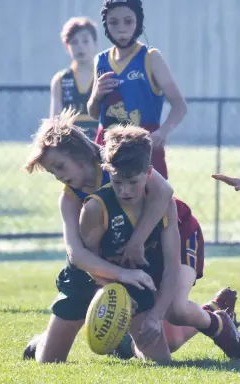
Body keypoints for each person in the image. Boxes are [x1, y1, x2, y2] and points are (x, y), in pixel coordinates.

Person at [23, 110, 238, 363]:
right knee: (146, 338)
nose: (58, 175)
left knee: (176, 309)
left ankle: (215, 319)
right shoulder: (74, 197)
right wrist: (119, 277)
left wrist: (137, 241)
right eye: (52, 172)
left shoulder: (118, 162)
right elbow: (77, 253)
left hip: (176, 229)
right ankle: (52, 341)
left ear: (79, 154)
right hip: (128, 254)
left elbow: (164, 192)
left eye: (59, 166)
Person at [79, 125, 240, 361]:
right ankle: (213, 309)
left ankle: (219, 323)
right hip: (144, 259)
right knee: (162, 351)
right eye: (117, 182)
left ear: (149, 173)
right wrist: (116, 294)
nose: (124, 191)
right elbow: (92, 261)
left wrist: (155, 316)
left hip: (182, 233)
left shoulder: (163, 202)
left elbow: (172, 266)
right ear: (107, 172)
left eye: (133, 182)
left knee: (176, 309)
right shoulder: (96, 208)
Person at [87, 0, 187, 179]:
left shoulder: (150, 57)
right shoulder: (100, 60)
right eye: (113, 22)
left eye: (128, 21)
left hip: (143, 149)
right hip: (107, 148)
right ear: (106, 25)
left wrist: (162, 132)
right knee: (103, 205)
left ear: (138, 22)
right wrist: (96, 95)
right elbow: (94, 113)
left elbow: (180, 106)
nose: (121, 28)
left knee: (152, 205)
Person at [50, 17, 98, 138]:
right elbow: (55, 121)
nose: (80, 47)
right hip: (72, 146)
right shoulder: (61, 80)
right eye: (74, 42)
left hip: (102, 144)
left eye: (85, 41)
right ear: (67, 47)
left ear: (95, 43)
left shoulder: (106, 75)